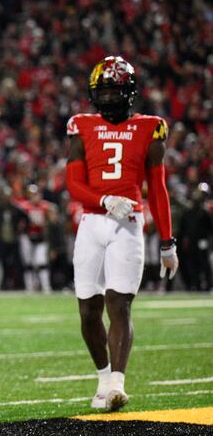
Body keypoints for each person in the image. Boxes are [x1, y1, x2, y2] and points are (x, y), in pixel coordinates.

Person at [65, 56, 178, 412]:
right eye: (103, 92)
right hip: (92, 222)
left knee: (119, 303)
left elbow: (158, 189)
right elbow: (73, 184)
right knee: (87, 310)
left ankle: (117, 381)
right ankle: (102, 377)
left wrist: (167, 241)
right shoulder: (80, 125)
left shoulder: (151, 127)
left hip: (128, 224)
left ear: (128, 93)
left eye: (115, 92)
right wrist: (102, 197)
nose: (109, 99)